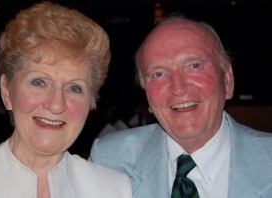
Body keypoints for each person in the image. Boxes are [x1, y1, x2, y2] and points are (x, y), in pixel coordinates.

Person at [89, 14, 272, 198]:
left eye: (194, 66)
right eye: (159, 74)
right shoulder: (109, 162)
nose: (178, 88)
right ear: (147, 96)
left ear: (227, 80)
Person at [0, 2, 132, 198]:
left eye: (75, 88)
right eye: (39, 82)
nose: (56, 105)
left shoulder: (113, 188)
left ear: (91, 102)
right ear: (6, 92)